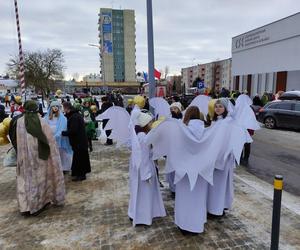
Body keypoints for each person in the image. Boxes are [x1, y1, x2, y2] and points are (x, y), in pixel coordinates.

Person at [15, 100, 65, 215]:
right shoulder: (42, 122)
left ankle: (26, 206)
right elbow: (50, 142)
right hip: (41, 158)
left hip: (25, 159)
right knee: (40, 180)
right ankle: (39, 204)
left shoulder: (19, 122)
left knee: (25, 180)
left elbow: (17, 140)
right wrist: (54, 158)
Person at [128, 112, 166, 226]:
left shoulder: (137, 135)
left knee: (138, 192)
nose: (151, 123)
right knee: (144, 193)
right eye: (150, 122)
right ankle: (143, 216)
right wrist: (147, 174)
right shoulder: (143, 137)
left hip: (137, 168)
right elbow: (144, 156)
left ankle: (136, 213)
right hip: (144, 168)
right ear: (145, 124)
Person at [174, 106, 207, 235]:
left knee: (184, 198)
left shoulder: (183, 129)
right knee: (198, 198)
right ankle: (196, 224)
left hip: (184, 169)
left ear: (186, 114)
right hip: (200, 170)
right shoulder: (205, 130)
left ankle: (184, 224)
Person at [207, 98, 235, 216]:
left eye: (220, 106)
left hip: (222, 158)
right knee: (214, 184)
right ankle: (215, 206)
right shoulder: (216, 121)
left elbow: (227, 141)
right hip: (214, 157)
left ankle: (218, 208)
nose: (218, 108)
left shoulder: (227, 122)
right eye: (216, 106)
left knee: (220, 184)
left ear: (226, 108)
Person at [62, 102, 91, 181]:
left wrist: (63, 133)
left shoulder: (74, 117)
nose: (63, 110)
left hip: (79, 141)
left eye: (63, 108)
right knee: (78, 157)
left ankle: (81, 175)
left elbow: (73, 130)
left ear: (67, 108)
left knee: (80, 158)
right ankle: (77, 173)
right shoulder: (75, 115)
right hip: (80, 141)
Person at [44, 100, 73, 172]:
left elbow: (63, 127)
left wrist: (57, 135)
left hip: (60, 139)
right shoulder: (46, 118)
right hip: (50, 138)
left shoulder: (63, 118)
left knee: (62, 154)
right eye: (53, 106)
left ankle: (64, 168)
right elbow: (44, 126)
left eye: (57, 106)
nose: (55, 108)